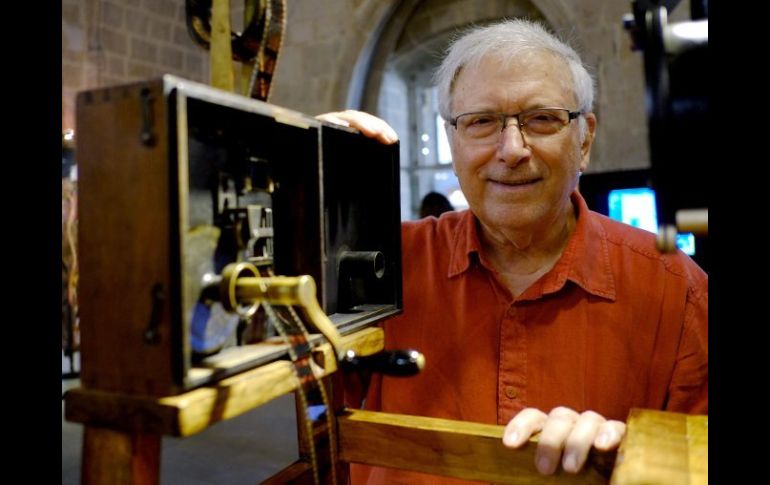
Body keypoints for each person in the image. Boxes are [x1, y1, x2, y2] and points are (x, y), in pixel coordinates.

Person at [319, 19, 707, 483]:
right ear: (453, 143)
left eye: (542, 119)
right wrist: (303, 194)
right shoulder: (387, 265)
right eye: (482, 122)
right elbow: (293, 407)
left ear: (585, 140)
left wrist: (637, 460)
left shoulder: (673, 287)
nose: (512, 149)